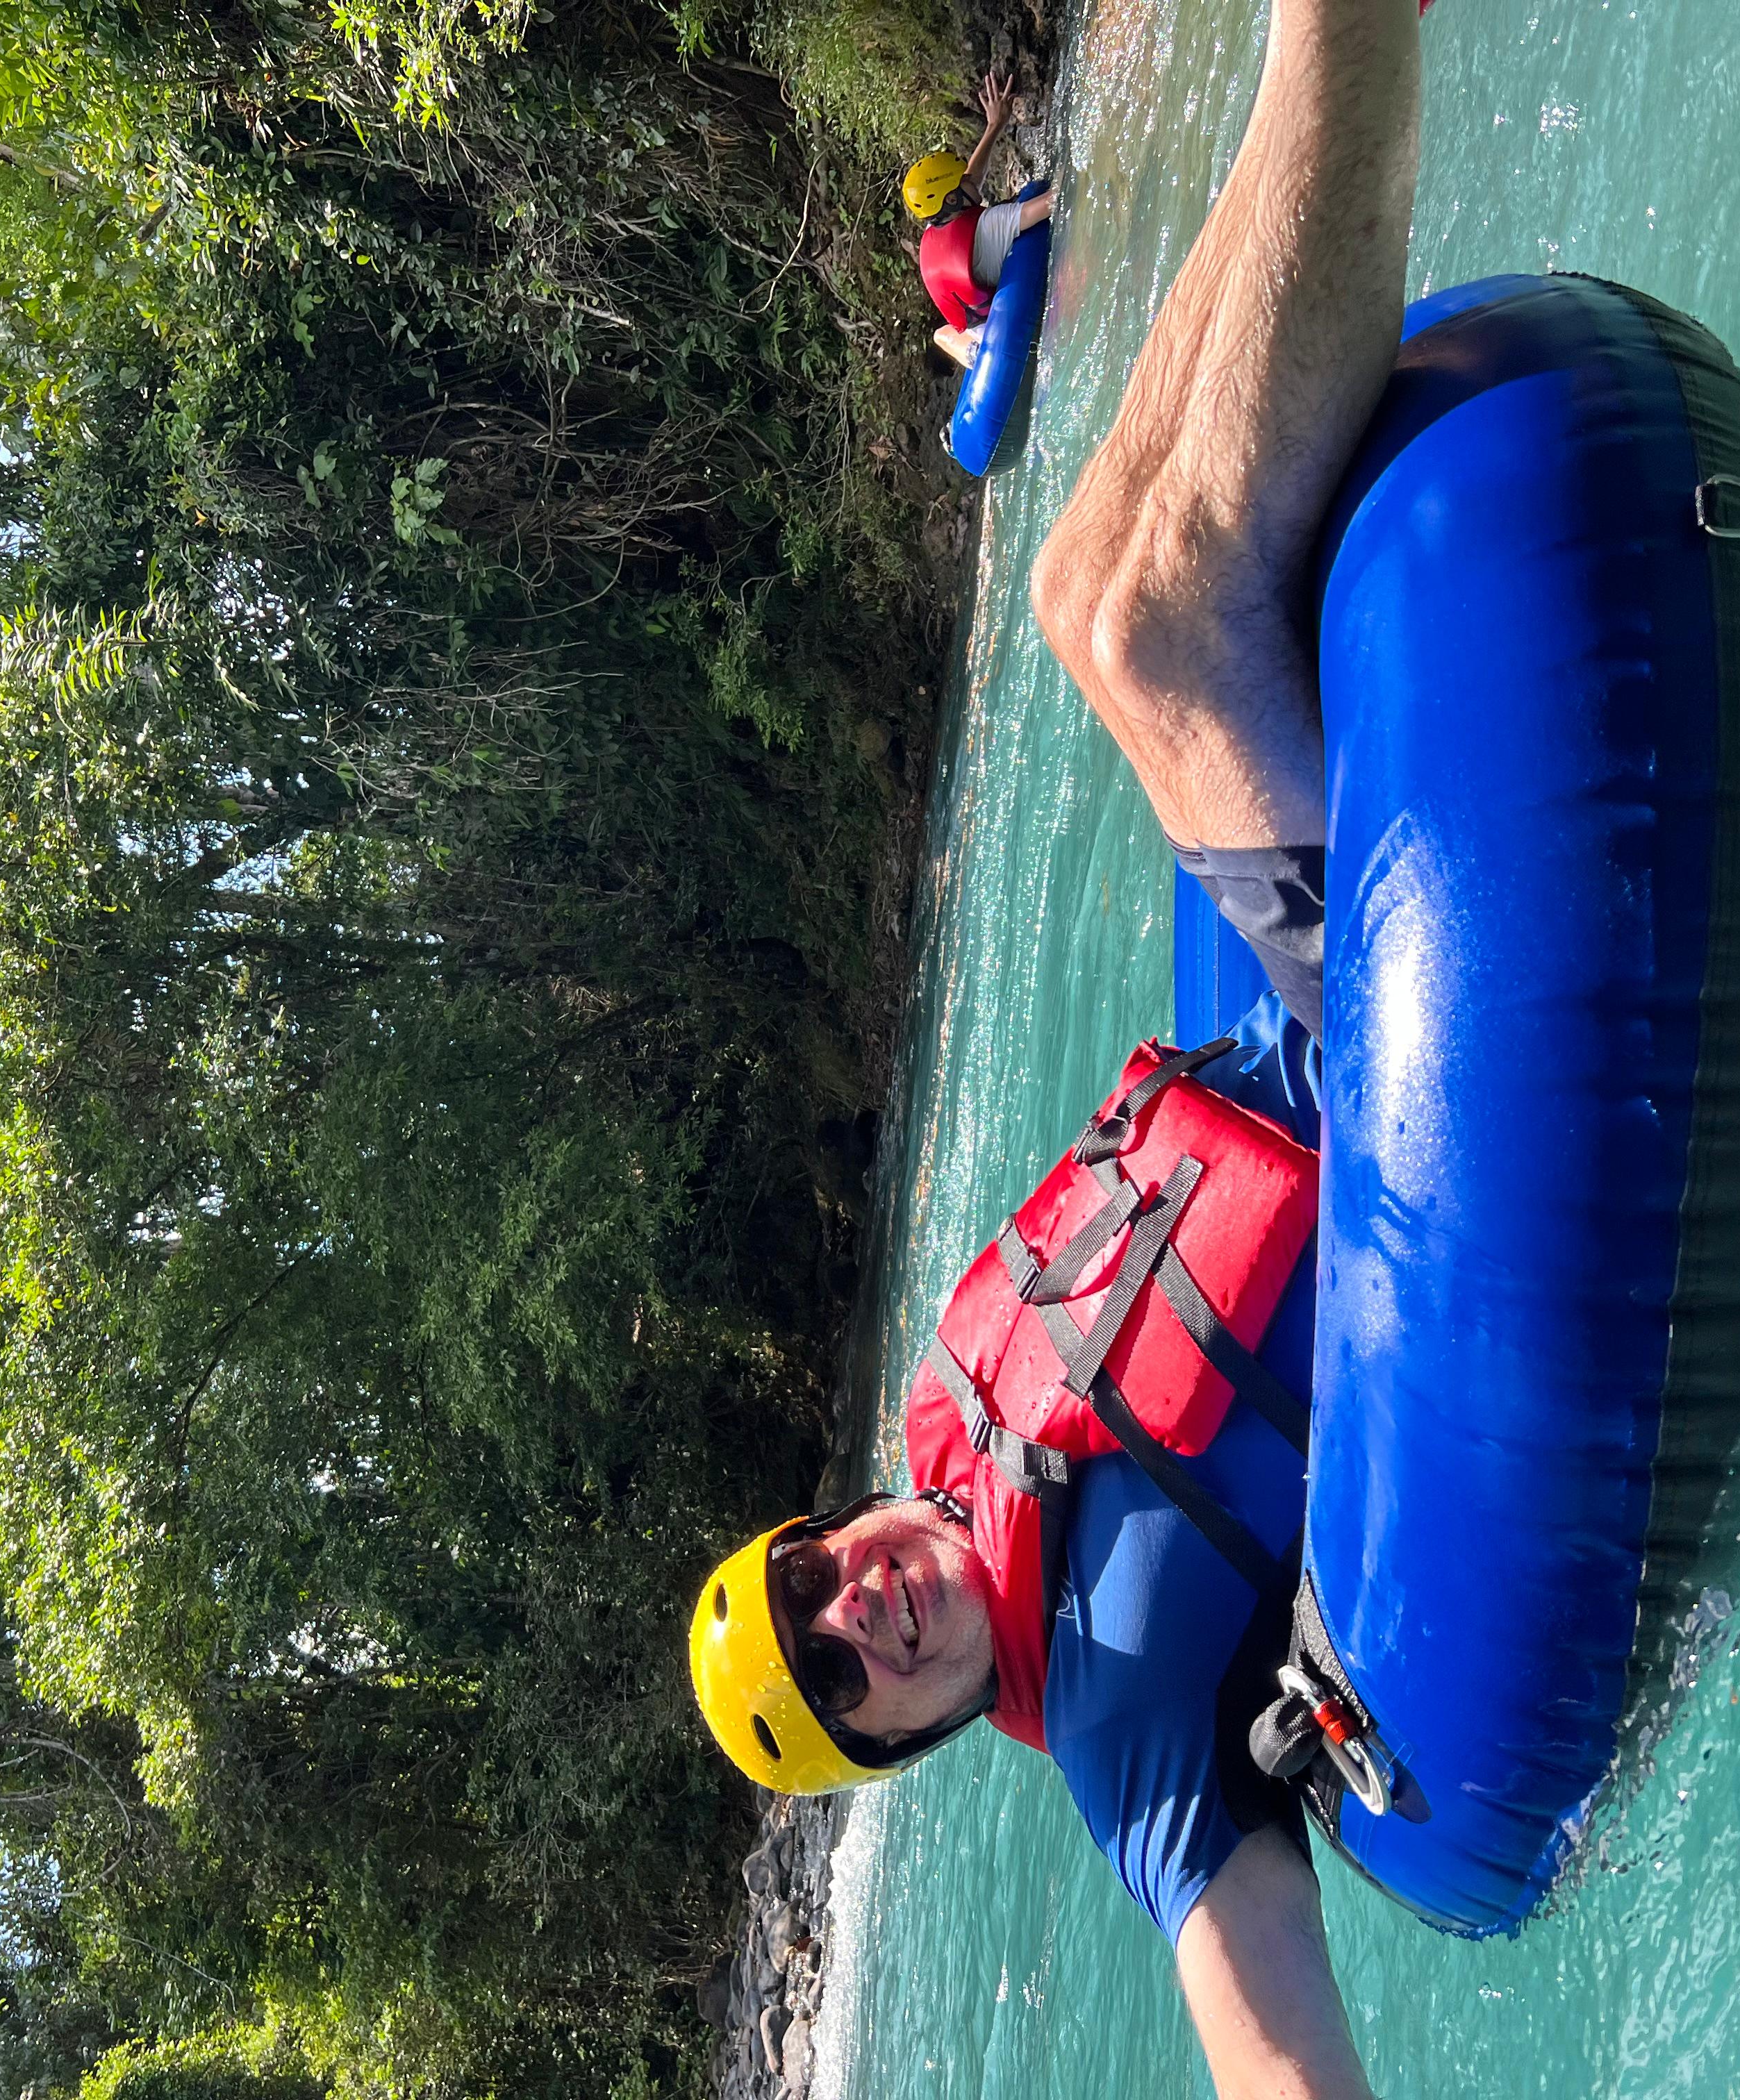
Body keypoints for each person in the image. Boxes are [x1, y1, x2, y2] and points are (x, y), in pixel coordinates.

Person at [693, 3, 1427, 2095]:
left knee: (1077, 592)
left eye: (812, 1579)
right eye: (841, 1677)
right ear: (902, 1743)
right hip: (1403, 1097)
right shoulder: (1123, 1741)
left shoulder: (959, 1420)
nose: (859, 1611)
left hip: (1290, 1040)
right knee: (1151, 628)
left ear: (830, 1526)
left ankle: (1301, 82)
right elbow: (1266, 2043)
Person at [904, 71, 1056, 365]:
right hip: (1003, 331)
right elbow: (1048, 204)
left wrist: (995, 125)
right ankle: (983, 356)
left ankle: (972, 353)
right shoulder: (989, 227)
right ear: (952, 199)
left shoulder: (936, 224)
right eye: (960, 182)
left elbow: (973, 179)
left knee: (941, 335)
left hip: (974, 325)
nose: (968, 179)